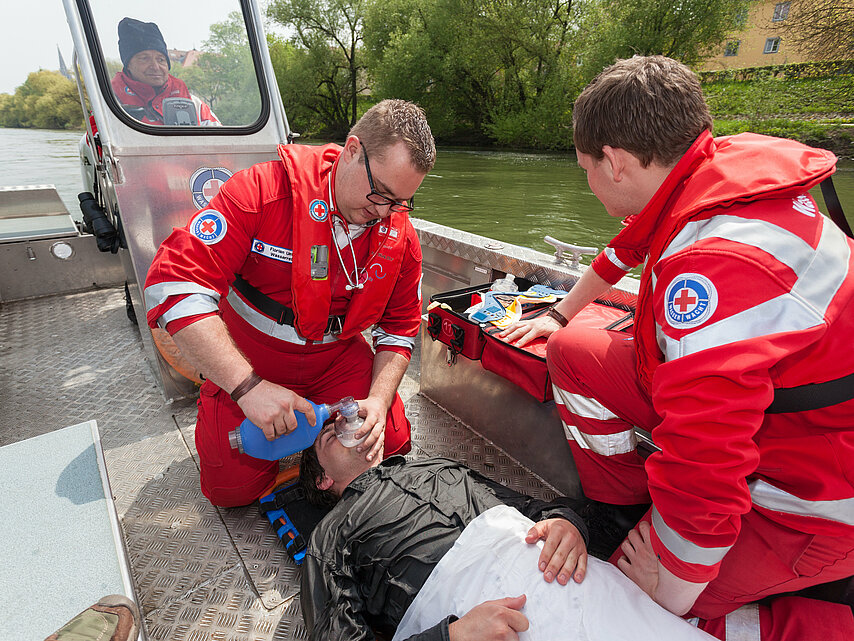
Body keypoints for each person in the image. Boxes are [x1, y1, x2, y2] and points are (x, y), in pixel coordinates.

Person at [498, 55, 854, 627]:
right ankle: (619, 506)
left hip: (815, 489)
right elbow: (627, 249)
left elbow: (707, 465)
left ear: (613, 163)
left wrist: (661, 595)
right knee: (575, 354)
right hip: (781, 411)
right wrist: (560, 318)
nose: (587, 182)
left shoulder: (711, 270)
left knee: (650, 614)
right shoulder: (708, 171)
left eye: (585, 168)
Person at [298, 423, 854, 641]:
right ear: (323, 479)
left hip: (559, 565)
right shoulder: (329, 536)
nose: (347, 423)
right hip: (480, 609)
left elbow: (535, 504)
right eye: (329, 434)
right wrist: (451, 637)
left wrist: (567, 522)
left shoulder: (436, 466)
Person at [144, 99, 434, 507]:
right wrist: (246, 388)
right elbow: (173, 284)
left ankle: (311, 435)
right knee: (231, 493)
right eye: (379, 192)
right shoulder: (259, 193)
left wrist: (378, 402)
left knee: (394, 445)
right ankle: (274, 424)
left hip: (336, 358)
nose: (383, 211)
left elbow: (400, 329)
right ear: (352, 150)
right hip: (253, 358)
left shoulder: (399, 237)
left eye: (400, 201)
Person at [111, 17, 219, 126]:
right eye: (144, 58)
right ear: (128, 64)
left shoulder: (194, 104)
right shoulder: (110, 102)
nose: (155, 66)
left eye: (161, 59)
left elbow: (221, 139)